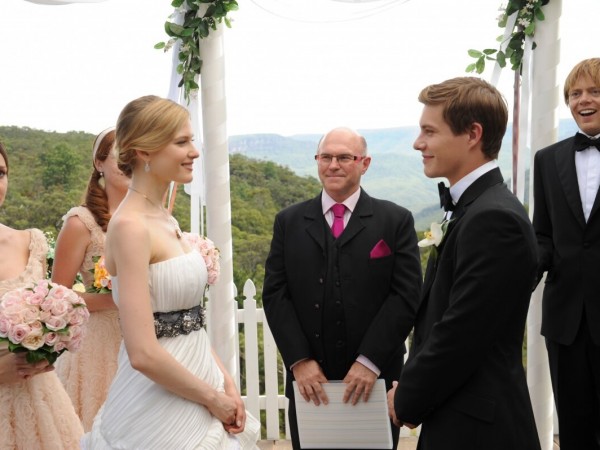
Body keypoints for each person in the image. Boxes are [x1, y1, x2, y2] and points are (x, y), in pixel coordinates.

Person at [81, 95, 259, 449]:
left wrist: (224, 381)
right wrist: (212, 398)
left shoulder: (163, 217)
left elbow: (188, 321)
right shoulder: (130, 227)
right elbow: (142, 353)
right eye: (182, 142)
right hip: (157, 408)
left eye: (191, 140)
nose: (194, 152)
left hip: (200, 384)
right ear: (144, 151)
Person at [388, 77, 541, 450]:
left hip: (480, 429)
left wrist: (407, 396)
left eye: (429, 131)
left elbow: (462, 333)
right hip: (456, 414)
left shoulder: (495, 220)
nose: (418, 143)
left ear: (473, 134)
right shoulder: (473, 209)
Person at [263, 126, 422, 450]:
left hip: (374, 378)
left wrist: (369, 362)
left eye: (344, 157)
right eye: (326, 157)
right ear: (317, 161)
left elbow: (406, 295)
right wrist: (299, 361)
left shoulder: (396, 220)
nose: (333, 165)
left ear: (365, 163)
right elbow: (276, 294)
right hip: (309, 382)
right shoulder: (288, 222)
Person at [532, 57, 600, 450]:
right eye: (575, 93)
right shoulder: (547, 159)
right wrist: (519, 274)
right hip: (565, 321)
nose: (583, 100)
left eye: (594, 91)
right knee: (574, 430)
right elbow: (543, 236)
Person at [0, 141, 84, 449]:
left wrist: (47, 353)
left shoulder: (30, 242)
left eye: (0, 173)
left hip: (38, 404)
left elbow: (49, 320)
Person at [51, 126, 129, 431]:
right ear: (99, 163)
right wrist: (115, 298)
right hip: (100, 348)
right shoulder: (81, 223)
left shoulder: (151, 217)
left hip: (150, 336)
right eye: (118, 154)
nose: (126, 161)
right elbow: (58, 297)